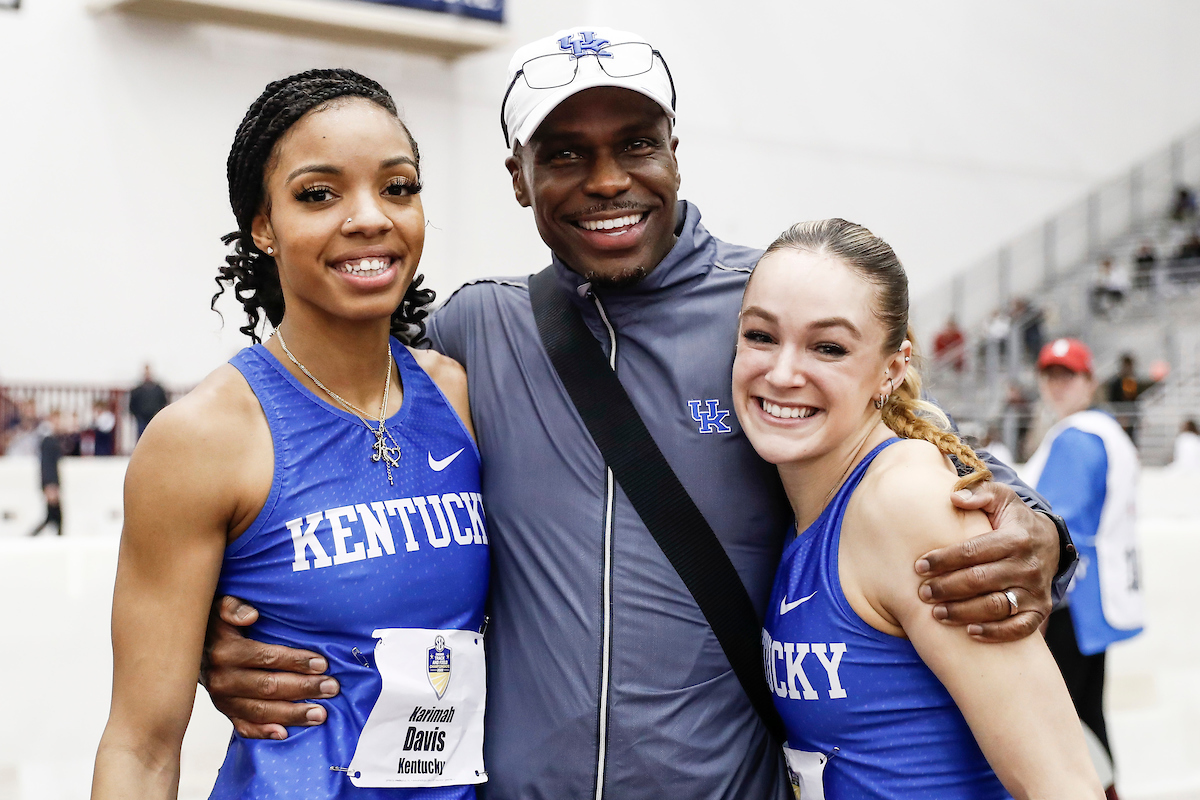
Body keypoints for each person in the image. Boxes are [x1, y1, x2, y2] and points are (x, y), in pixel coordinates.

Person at [200, 28, 1077, 800]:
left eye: (636, 144)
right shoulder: (477, 329)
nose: (607, 180)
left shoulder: (767, 312)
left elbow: (919, 446)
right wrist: (220, 636)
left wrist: (1039, 534)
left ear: (674, 152)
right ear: (520, 178)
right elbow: (330, 439)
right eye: (566, 155)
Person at [91, 69, 488, 800]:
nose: (370, 217)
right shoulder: (205, 436)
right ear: (263, 225)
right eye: (319, 194)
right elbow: (140, 746)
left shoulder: (457, 393)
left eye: (397, 187)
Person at [741, 220, 1099, 797]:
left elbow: (1063, 785)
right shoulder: (806, 499)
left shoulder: (905, 500)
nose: (782, 373)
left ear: (892, 368)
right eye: (760, 336)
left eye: (828, 347)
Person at [1025, 338, 1144, 800]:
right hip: (1091, 602)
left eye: (1067, 375)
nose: (1057, 385)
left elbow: (1052, 525)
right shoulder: (1105, 431)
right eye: (1050, 375)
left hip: (1066, 604)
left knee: (1058, 723)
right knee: (1086, 714)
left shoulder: (1076, 438)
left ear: (1089, 382)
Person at [28, 410, 65, 536]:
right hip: (50, 480)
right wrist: (50, 483)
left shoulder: (48, 438)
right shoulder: (47, 440)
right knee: (54, 514)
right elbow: (47, 464)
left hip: (51, 479)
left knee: (52, 515)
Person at [129, 364, 169, 439]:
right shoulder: (138, 389)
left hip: (154, 417)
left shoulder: (158, 389)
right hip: (141, 418)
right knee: (142, 437)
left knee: (154, 437)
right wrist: (137, 414)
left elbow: (163, 402)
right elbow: (132, 404)